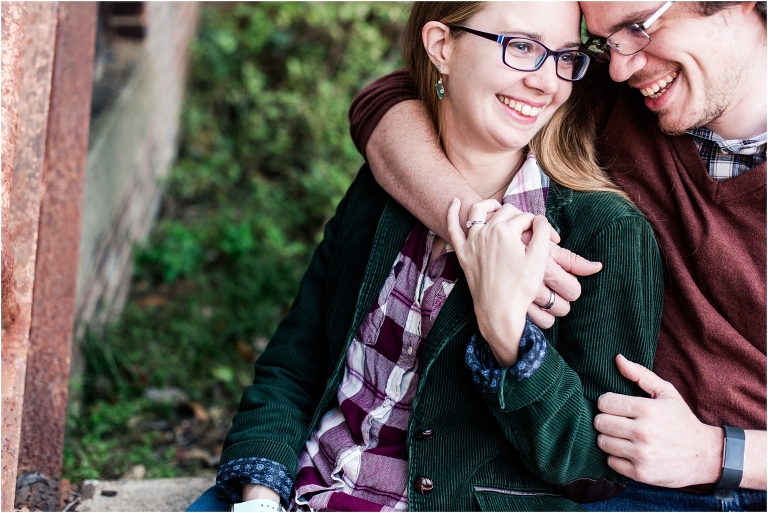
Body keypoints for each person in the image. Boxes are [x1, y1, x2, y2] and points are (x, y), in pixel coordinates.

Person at [188, 2, 662, 511]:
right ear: (441, 46)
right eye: (522, 47)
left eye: (565, 57)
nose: (548, 83)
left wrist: (507, 339)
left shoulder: (605, 232)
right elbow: (294, 365)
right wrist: (260, 495)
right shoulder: (387, 184)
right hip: (304, 490)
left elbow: (592, 470)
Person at [347, 1, 767, 510]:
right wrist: (481, 230)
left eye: (637, 28)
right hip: (578, 460)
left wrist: (719, 452)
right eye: (605, 41)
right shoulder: (612, 89)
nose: (619, 66)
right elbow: (391, 100)